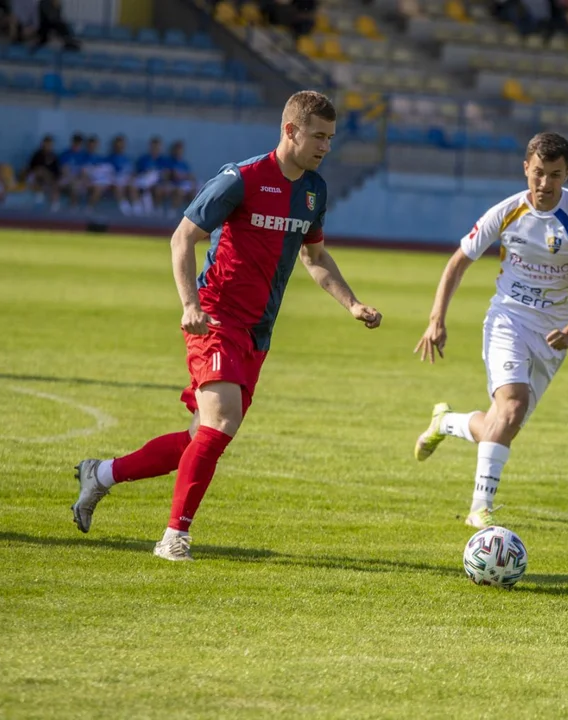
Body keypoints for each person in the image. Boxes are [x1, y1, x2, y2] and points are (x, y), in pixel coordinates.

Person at [71, 91, 383, 561]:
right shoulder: (242, 179)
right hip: (216, 319)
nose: (326, 146)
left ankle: (102, 474)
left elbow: (315, 257)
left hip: (258, 333)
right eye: (318, 136)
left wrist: (352, 304)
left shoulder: (314, 190)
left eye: (331, 138)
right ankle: (174, 537)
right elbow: (183, 236)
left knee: (202, 437)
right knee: (219, 425)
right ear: (290, 130)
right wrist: (189, 305)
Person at [412, 132, 568, 529]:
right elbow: (458, 262)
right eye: (538, 173)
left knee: (499, 426)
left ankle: (446, 422)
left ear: (567, 173)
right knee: (513, 405)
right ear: (526, 168)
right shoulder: (506, 212)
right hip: (507, 320)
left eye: (555, 175)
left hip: (554, 336)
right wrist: (437, 317)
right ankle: (479, 510)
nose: (544, 183)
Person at [129, 136, 165, 215]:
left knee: (158, 189)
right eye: (154, 147)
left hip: (157, 183)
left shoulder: (163, 160)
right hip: (143, 181)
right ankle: (137, 208)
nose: (155, 149)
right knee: (133, 186)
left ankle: (157, 209)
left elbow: (165, 174)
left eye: (157, 147)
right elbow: (136, 172)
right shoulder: (143, 159)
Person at [161, 140, 197, 217]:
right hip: (171, 184)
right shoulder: (168, 161)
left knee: (194, 193)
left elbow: (190, 176)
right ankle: (172, 212)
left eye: (180, 150)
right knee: (179, 191)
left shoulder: (184, 164)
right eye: (177, 150)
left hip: (183, 185)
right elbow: (165, 175)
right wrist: (172, 174)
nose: (178, 152)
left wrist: (186, 177)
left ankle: (192, 216)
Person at [24, 133, 60, 208]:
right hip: (36, 178)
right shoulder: (37, 155)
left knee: (55, 184)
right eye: (46, 144)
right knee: (40, 171)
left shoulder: (53, 156)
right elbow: (31, 168)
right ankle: (39, 192)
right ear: (43, 144)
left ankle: (54, 204)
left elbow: (56, 172)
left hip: (49, 179)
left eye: (50, 144)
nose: (48, 146)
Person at [56, 131, 87, 211]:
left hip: (78, 180)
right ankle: (54, 206)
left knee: (76, 186)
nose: (77, 144)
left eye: (79, 142)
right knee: (56, 184)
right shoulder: (66, 154)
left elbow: (83, 172)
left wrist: (79, 180)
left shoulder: (83, 155)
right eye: (75, 142)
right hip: (67, 178)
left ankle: (73, 207)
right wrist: (72, 179)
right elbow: (64, 170)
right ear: (72, 142)